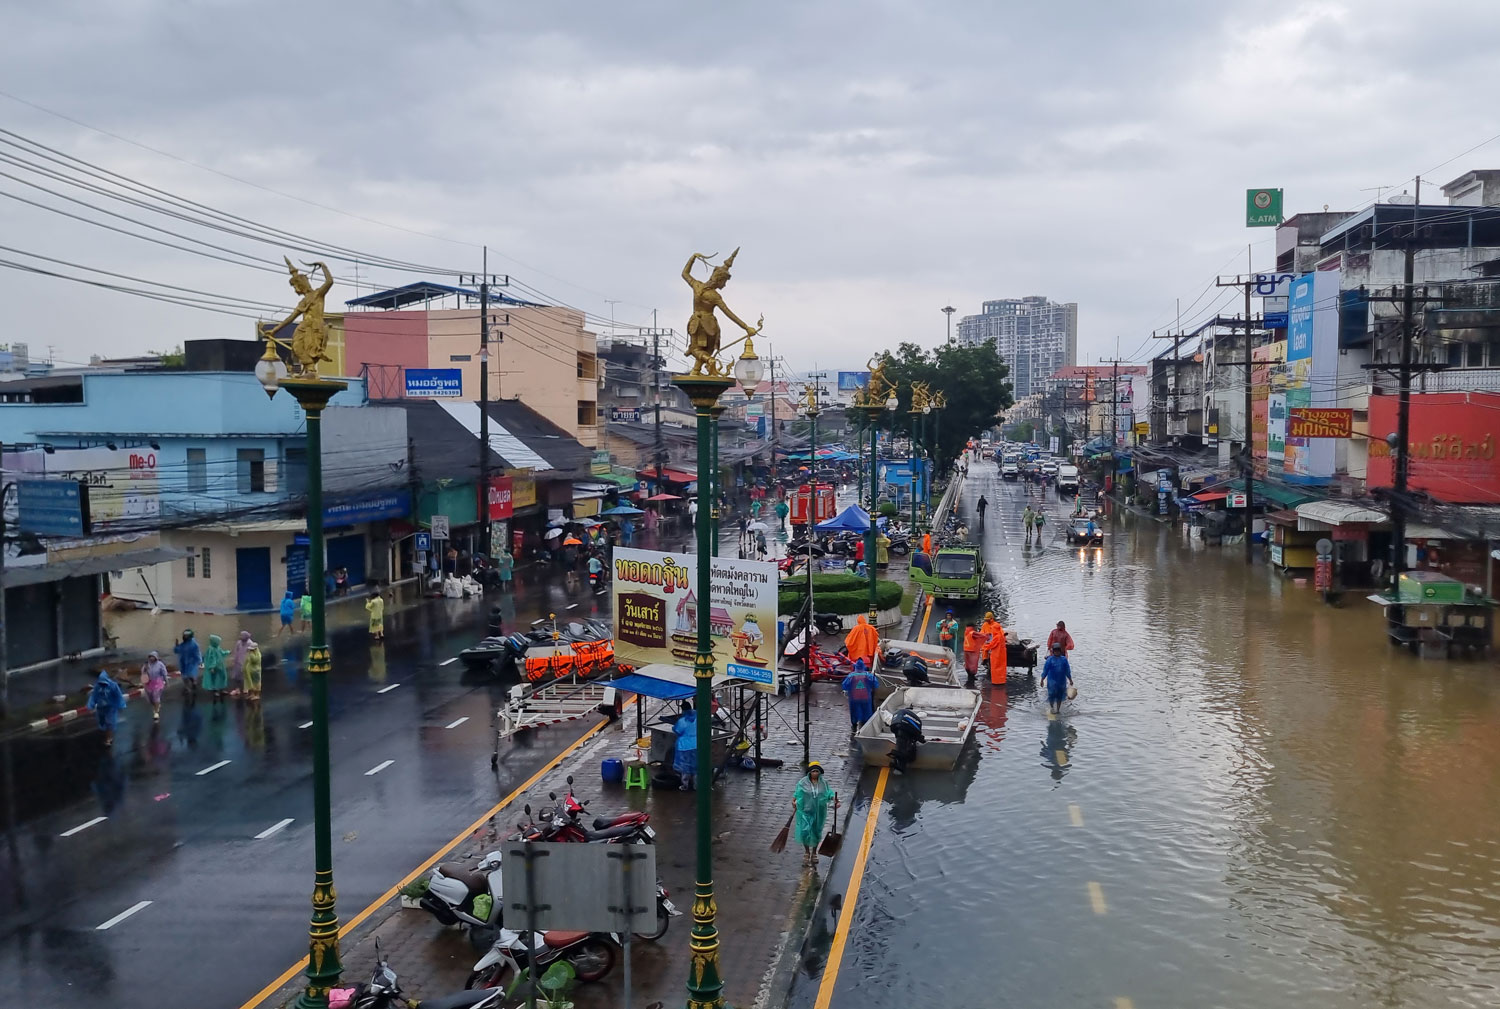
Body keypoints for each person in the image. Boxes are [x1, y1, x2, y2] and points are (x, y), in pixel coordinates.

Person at [792, 761, 836, 867]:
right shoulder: (803, 782)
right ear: (809, 772)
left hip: (819, 812)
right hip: (805, 811)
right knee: (804, 832)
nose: (815, 773)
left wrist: (834, 799)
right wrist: (794, 801)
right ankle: (807, 852)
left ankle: (814, 853)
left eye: (817, 771)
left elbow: (828, 793)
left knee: (816, 832)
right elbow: (797, 793)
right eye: (813, 771)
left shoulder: (823, 783)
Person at [87, 670, 127, 746]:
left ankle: (109, 739)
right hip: (101, 708)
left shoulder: (113, 686)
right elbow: (93, 696)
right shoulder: (97, 686)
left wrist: (121, 705)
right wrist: (91, 705)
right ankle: (107, 736)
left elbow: (118, 696)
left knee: (110, 723)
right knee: (102, 724)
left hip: (111, 708)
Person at [840, 659, 879, 732]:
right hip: (866, 698)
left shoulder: (851, 675)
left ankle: (854, 725)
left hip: (854, 698)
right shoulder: (868, 675)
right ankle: (865, 727)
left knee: (854, 711)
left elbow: (845, 685)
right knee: (866, 711)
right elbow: (875, 684)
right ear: (863, 666)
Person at [1042, 641, 1074, 715]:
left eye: (1058, 651)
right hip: (1051, 681)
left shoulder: (1064, 660)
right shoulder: (1049, 660)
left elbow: (1067, 670)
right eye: (1055, 651)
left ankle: (1058, 710)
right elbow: (1045, 670)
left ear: (1060, 651)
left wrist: (1070, 679)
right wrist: (1042, 679)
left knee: (1060, 695)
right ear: (1053, 651)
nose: (1057, 652)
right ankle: (1052, 707)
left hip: (1061, 681)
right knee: (1051, 694)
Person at [673, 701, 698, 790]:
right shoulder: (698, 716)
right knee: (697, 766)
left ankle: (685, 785)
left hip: (684, 746)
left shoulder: (682, 721)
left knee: (685, 767)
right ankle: (696, 785)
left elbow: (677, 730)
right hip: (697, 744)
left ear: (682, 709)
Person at [174, 629, 202, 703]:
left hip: (192, 662)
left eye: (186, 636)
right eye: (184, 636)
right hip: (183, 662)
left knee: (190, 675)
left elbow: (197, 653)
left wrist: (199, 661)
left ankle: (194, 682)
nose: (185, 637)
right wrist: (176, 645)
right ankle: (187, 688)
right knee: (184, 676)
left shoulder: (194, 644)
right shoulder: (183, 644)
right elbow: (177, 650)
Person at [141, 650, 168, 722]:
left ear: (156, 657)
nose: (151, 658)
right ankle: (156, 705)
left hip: (157, 683)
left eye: (153, 657)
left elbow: (164, 673)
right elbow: (143, 674)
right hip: (148, 684)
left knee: (156, 697)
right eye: (150, 657)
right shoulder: (146, 665)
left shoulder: (160, 664)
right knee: (150, 699)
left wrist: (166, 681)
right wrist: (143, 683)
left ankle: (156, 712)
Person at [981, 611, 1007, 687]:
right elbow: (982, 633)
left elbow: (995, 642)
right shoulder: (986, 625)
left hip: (996, 651)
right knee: (999, 667)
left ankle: (997, 682)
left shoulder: (996, 629)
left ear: (991, 619)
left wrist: (986, 647)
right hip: (996, 649)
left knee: (996, 667)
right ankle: (1000, 681)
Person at [201, 633, 229, 702]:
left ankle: (222, 689)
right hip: (215, 667)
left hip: (220, 666)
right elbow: (211, 659)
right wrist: (212, 667)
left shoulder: (217, 647)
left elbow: (221, 653)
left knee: (222, 677)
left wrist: (227, 652)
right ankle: (215, 691)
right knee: (215, 679)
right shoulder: (211, 649)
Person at [230, 630, 253, 695]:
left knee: (246, 677)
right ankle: (237, 690)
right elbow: (236, 651)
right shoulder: (239, 643)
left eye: (241, 636)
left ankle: (246, 688)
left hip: (246, 663)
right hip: (238, 662)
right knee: (237, 677)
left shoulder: (250, 644)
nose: (240, 637)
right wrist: (234, 659)